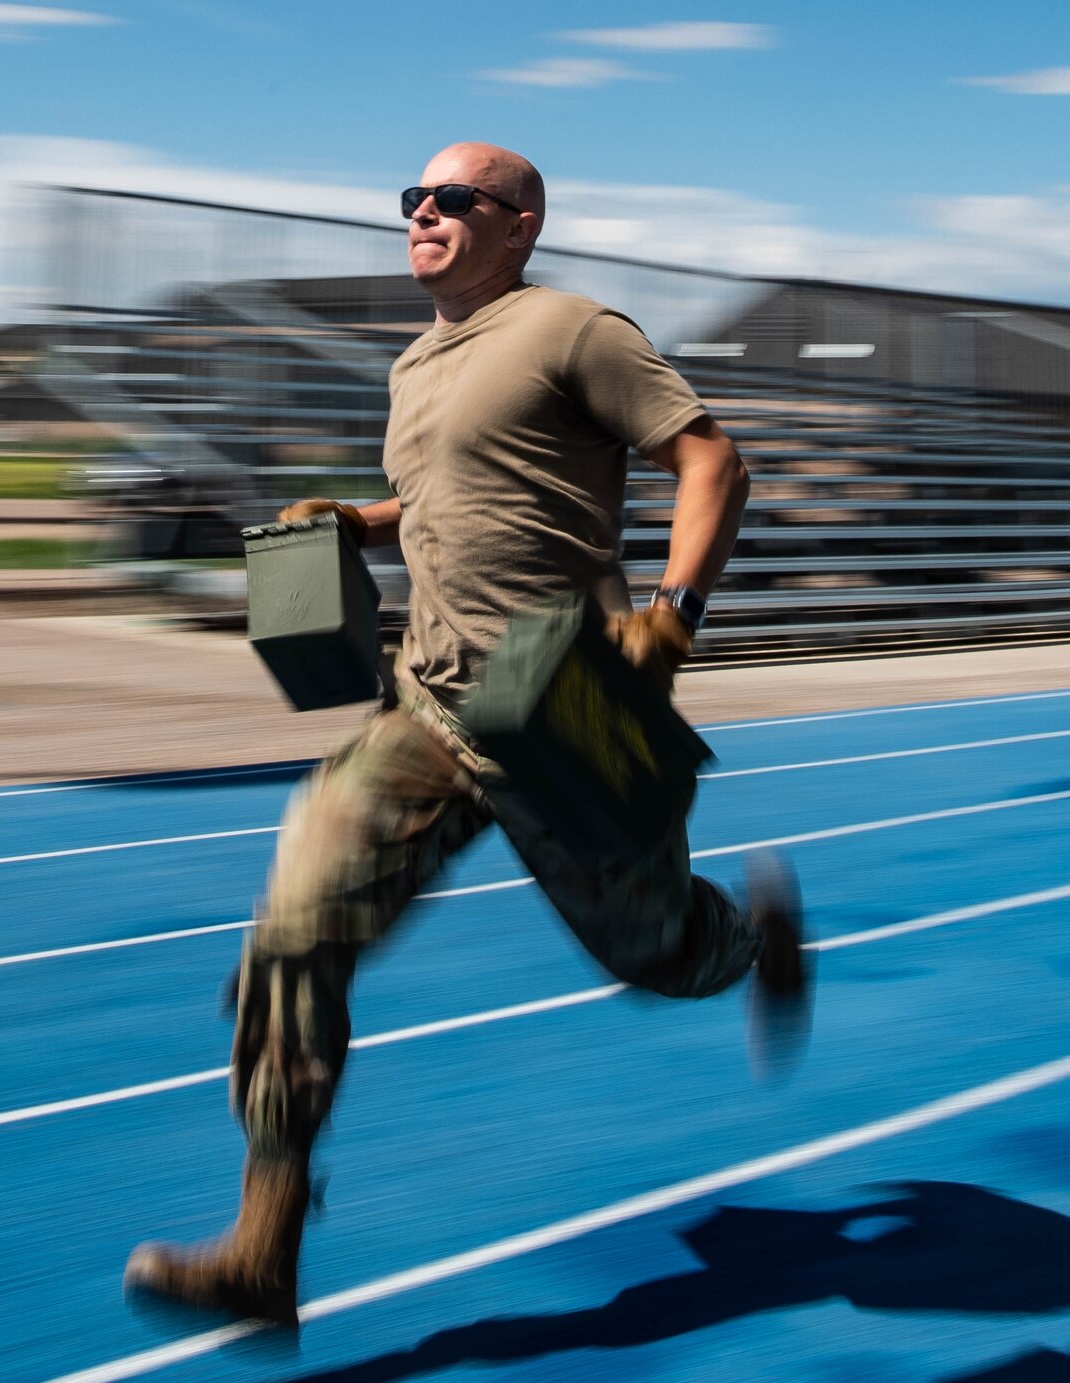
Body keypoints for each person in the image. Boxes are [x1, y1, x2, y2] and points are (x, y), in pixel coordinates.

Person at [123, 142, 812, 1327]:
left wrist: (671, 618)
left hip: (568, 708)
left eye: (454, 200)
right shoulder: (412, 363)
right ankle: (265, 1242)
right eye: (413, 199)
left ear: (520, 224)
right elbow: (448, 499)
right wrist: (355, 517)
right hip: (430, 707)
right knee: (291, 936)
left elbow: (710, 458)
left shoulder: (574, 331)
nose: (424, 214)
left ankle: (750, 941)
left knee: (652, 958)